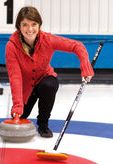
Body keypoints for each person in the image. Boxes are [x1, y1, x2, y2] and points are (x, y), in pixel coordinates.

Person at [5, 6, 94, 138]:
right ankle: (22, 108)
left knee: (49, 85)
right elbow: (15, 78)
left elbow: (77, 46)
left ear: (39, 24)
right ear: (19, 25)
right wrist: (17, 105)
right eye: (25, 25)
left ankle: (43, 124)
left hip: (44, 79)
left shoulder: (48, 40)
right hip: (26, 87)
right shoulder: (12, 47)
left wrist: (85, 66)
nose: (30, 29)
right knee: (22, 115)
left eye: (33, 24)